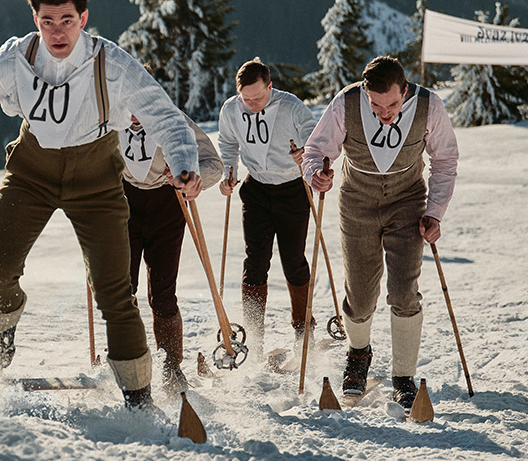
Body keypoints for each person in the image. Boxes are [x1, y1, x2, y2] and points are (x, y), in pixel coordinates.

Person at [0, 0, 203, 409]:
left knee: (115, 292)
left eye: (67, 21)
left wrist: (185, 165)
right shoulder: (14, 60)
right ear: (35, 20)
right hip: (32, 172)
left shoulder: (111, 63)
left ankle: (139, 400)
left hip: (96, 178)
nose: (57, 32)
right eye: (47, 21)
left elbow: (165, 117)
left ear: (84, 17)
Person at [303, 56, 458, 410]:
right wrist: (317, 173)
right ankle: (359, 353)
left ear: (404, 90)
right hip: (357, 200)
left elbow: (445, 160)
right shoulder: (346, 102)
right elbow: (316, 150)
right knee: (359, 295)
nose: (384, 112)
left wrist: (434, 212)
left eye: (391, 104)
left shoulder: (428, 105)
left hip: (408, 202)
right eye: (375, 104)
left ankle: (403, 376)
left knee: (404, 291)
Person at [217, 58, 318, 360]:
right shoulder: (231, 110)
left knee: (293, 260)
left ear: (270, 87)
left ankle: (303, 327)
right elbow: (227, 142)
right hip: (257, 189)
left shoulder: (289, 106)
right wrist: (228, 171)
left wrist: (307, 153)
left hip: (292, 190)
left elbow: (315, 132)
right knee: (255, 260)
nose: (252, 104)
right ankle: (253, 336)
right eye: (247, 99)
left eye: (258, 98)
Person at [120, 111, 222, 394]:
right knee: (120, 289)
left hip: (167, 202)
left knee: (163, 292)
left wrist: (189, 177)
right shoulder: (108, 117)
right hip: (122, 200)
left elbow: (213, 164)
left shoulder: (172, 119)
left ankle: (171, 368)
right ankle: (124, 361)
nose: (134, 112)